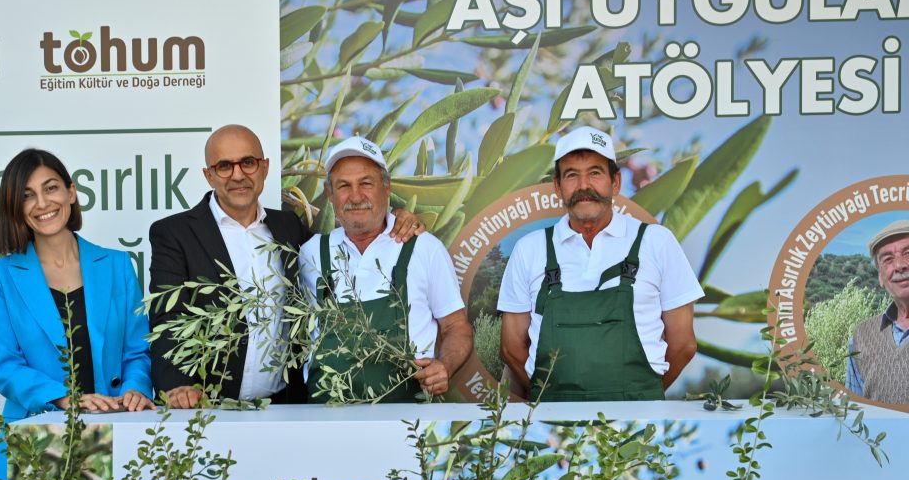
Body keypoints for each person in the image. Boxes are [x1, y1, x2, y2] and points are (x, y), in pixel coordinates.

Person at [148, 125, 423, 407]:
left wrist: (395, 218)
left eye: (248, 162)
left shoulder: (288, 227)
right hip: (208, 405)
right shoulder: (174, 234)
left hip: (285, 406)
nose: (238, 175)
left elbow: (351, 246)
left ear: (264, 168)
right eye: (224, 166)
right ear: (209, 175)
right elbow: (167, 320)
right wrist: (177, 386)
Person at [0, 148, 154, 480]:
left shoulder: (118, 266)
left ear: (71, 193)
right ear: (15, 208)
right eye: (27, 195)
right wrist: (65, 399)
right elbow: (6, 367)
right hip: (37, 443)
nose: (43, 203)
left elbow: (137, 352)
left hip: (115, 439)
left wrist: (134, 389)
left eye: (51, 188)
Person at [498, 126, 703, 401]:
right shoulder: (530, 249)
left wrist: (641, 397)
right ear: (558, 186)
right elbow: (511, 348)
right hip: (553, 426)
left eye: (595, 173)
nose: (584, 186)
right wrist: (546, 400)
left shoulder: (656, 242)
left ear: (615, 182)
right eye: (572, 175)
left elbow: (684, 344)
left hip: (635, 424)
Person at [298, 136, 473, 403]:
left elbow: (457, 327)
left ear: (386, 187)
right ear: (330, 194)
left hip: (407, 424)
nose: (355, 196)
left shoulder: (424, 248)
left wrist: (444, 366)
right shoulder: (310, 253)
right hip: (326, 421)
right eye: (344, 186)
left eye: (366, 183)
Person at [846, 219, 909, 403]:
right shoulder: (862, 335)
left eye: (908, 253)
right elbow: (855, 409)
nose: (899, 266)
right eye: (888, 259)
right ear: (881, 277)